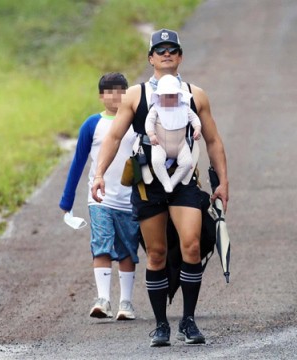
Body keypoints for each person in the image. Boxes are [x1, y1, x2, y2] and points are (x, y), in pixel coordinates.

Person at [92, 29, 229, 347]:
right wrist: (99, 174)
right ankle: (161, 325)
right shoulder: (136, 96)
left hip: (184, 183)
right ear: (151, 58)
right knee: (155, 253)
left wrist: (222, 181)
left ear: (180, 56)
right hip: (148, 185)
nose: (166, 54)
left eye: (173, 49)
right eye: (160, 50)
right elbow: (113, 137)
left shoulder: (196, 94)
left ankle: (189, 321)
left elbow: (212, 140)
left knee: (192, 245)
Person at [59, 72, 140, 321]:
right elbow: (78, 162)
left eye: (120, 91)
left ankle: (125, 302)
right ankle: (103, 299)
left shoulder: (138, 122)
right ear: (100, 96)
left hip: (130, 198)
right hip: (100, 198)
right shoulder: (92, 124)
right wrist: (67, 200)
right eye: (109, 91)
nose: (115, 96)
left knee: (127, 250)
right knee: (101, 245)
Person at [145, 74, 202, 193]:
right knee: (156, 161)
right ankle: (166, 181)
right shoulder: (156, 108)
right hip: (160, 144)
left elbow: (194, 119)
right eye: (166, 96)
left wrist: (197, 128)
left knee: (187, 163)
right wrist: (151, 135)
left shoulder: (184, 108)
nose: (169, 98)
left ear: (178, 96)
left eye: (173, 96)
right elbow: (149, 121)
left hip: (181, 145)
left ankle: (173, 182)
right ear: (159, 96)